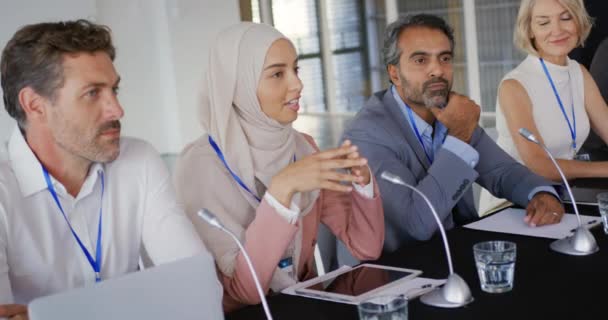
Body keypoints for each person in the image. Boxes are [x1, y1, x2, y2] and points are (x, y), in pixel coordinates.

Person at [0, 20, 221, 319]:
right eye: (92, 93)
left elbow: (200, 288)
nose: (117, 110)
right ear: (35, 105)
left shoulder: (139, 160)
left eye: (114, 89)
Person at [173, 22, 384, 312]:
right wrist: (282, 191)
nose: (297, 84)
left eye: (295, 70)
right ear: (238, 86)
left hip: (304, 308)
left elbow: (366, 247)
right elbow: (246, 292)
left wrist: (363, 184)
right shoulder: (198, 168)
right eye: (277, 73)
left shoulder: (302, 146)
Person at [341, 14, 564, 253]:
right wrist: (459, 135)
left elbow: (502, 172)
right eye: (420, 60)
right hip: (395, 272)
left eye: (444, 58)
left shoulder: (448, 111)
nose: (437, 70)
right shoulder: (365, 136)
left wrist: (540, 192)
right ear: (394, 74)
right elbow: (418, 223)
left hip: (457, 252)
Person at [479, 0, 608, 214]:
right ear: (529, 30)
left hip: (559, 194)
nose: (557, 30)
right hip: (513, 203)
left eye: (566, 18)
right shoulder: (514, 85)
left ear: (578, 21)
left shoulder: (578, 72)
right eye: (543, 22)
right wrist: (605, 169)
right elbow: (539, 165)